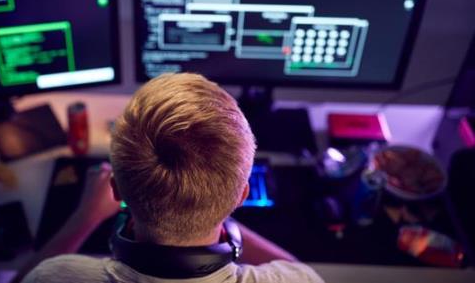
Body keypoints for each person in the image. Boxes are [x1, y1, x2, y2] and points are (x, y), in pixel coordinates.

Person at [16, 73, 324, 283]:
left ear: (115, 190)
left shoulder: (56, 277)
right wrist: (215, 201)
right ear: (241, 196)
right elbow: (295, 268)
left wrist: (83, 219)